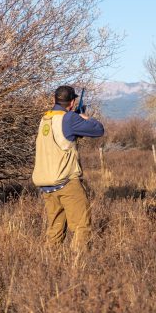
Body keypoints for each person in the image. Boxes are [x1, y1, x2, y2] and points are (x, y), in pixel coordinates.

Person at [32, 85, 104, 249]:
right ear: (72, 103)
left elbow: (63, 139)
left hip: (46, 185)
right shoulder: (70, 118)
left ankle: (50, 264)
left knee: (55, 229)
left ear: (54, 99)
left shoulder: (45, 119)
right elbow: (98, 130)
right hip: (66, 182)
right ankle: (78, 266)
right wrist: (85, 118)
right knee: (81, 226)